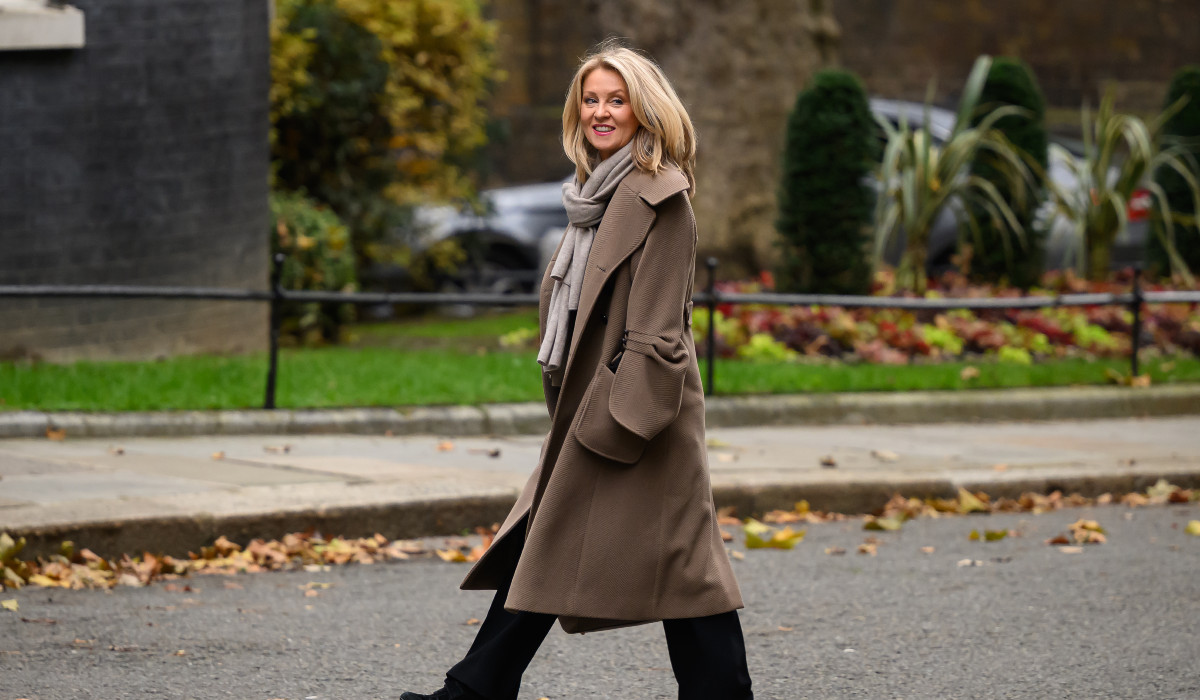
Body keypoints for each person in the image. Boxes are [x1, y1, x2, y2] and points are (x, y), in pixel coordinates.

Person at [402, 40, 753, 700]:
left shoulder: (660, 196)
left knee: (685, 570)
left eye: (616, 100)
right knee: (561, 542)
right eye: (590, 100)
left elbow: (659, 333)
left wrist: (621, 418)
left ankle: (474, 692)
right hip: (595, 409)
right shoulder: (590, 197)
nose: (600, 111)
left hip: (635, 420)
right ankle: (476, 688)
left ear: (644, 111)